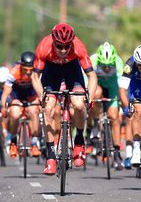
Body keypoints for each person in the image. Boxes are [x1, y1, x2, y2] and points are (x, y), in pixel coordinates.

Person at [31, 23, 97, 175]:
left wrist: (90, 97)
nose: (63, 50)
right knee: (48, 108)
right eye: (59, 46)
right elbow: (35, 76)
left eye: (67, 47)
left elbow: (92, 76)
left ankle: (79, 140)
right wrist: (42, 95)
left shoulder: (78, 47)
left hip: (72, 71)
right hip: (51, 72)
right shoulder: (44, 47)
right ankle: (50, 157)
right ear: (53, 42)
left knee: (79, 105)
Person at [85, 42, 124, 170]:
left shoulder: (118, 63)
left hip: (112, 87)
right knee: (96, 93)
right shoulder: (92, 60)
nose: (107, 69)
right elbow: (87, 82)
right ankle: (95, 123)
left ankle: (117, 153)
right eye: (104, 66)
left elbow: (122, 86)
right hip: (97, 85)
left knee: (114, 117)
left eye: (109, 66)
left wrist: (123, 103)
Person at [1, 52, 42, 158]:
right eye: (25, 69)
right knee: (14, 114)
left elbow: (40, 91)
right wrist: (3, 107)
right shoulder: (14, 72)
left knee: (34, 111)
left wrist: (41, 103)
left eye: (30, 69)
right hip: (16, 96)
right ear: (20, 66)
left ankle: (34, 142)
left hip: (31, 95)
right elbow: (6, 92)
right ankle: (13, 140)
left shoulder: (37, 72)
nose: (28, 72)